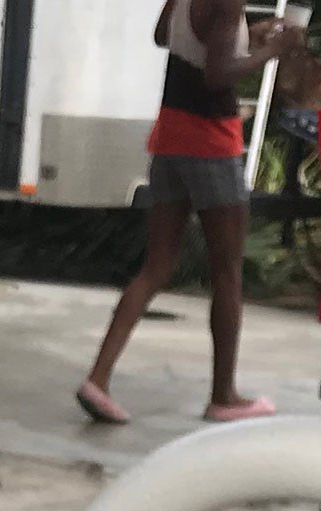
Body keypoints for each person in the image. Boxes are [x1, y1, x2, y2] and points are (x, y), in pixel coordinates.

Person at [77, 0, 302, 426]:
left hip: (170, 135)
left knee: (156, 267)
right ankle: (224, 396)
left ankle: (98, 378)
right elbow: (217, 76)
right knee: (227, 273)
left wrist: (247, 36)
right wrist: (272, 51)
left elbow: (165, 35)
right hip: (211, 141)